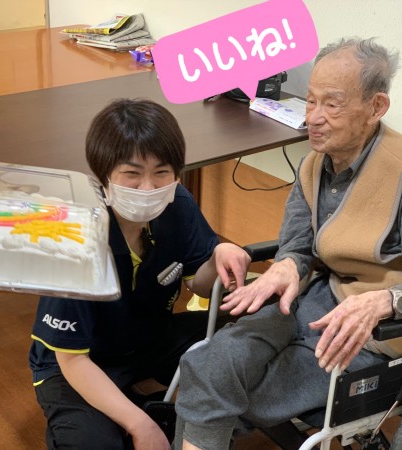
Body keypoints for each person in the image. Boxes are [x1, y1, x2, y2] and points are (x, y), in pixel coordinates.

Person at [174, 37, 402, 450]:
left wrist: (384, 301)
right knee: (210, 364)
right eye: (310, 101)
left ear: (376, 107)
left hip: (375, 330)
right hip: (315, 302)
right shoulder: (315, 162)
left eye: (332, 104)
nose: (313, 117)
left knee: (227, 391)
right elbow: (298, 245)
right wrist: (287, 265)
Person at [28, 98, 251, 450]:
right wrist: (141, 426)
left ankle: (144, 395)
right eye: (132, 174)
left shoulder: (177, 204)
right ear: (104, 176)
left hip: (150, 339)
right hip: (81, 361)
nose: (148, 188)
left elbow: (200, 286)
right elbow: (71, 358)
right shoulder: (76, 236)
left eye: (161, 173)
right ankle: (132, 406)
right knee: (94, 443)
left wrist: (218, 258)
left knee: (249, 332)